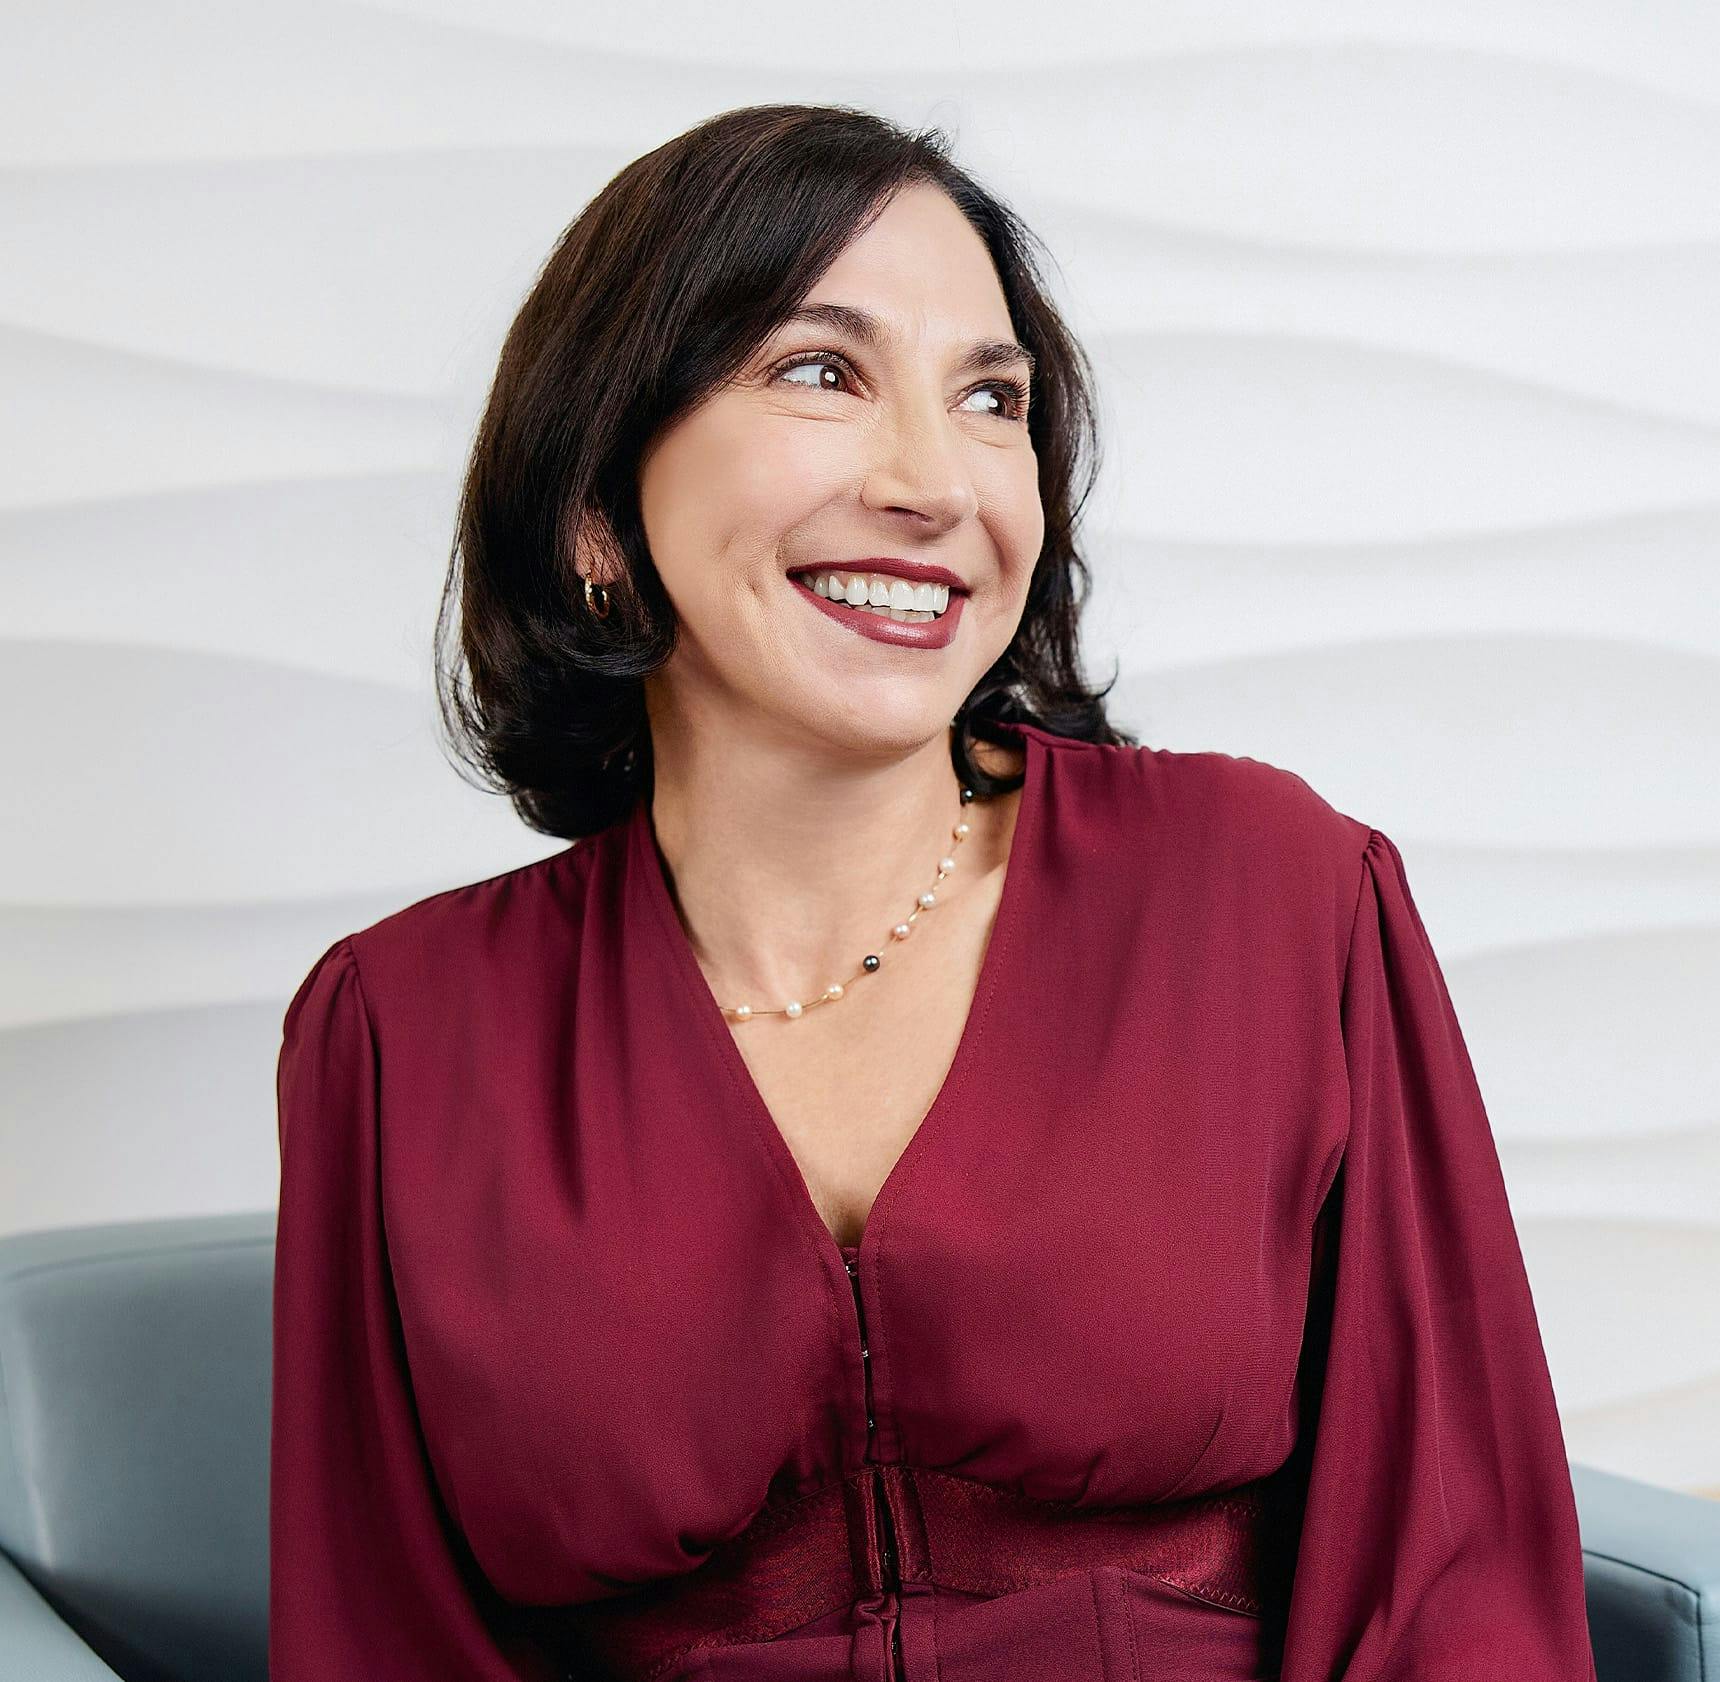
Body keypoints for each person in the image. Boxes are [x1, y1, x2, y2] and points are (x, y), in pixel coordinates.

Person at [269, 103, 1598, 1681]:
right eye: (820, 371)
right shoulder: (401, 1031)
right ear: (593, 513)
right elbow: (381, 1639)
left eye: (992, 400)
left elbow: (1451, 1588)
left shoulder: (1278, 894)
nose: (936, 480)